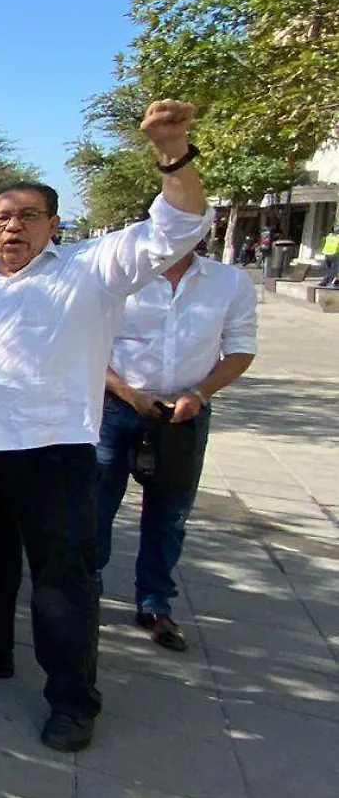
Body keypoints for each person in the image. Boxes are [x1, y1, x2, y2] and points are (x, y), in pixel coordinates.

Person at [0, 100, 209, 753]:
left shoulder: (92, 270)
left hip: (54, 456)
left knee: (62, 584)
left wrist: (173, 150)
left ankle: (72, 700)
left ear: (53, 223)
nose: (11, 227)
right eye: (1, 219)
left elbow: (178, 226)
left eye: (25, 216)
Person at [96, 244, 256, 652]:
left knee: (169, 514)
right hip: (116, 408)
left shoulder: (228, 282)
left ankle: (155, 604)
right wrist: (128, 393)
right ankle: (84, 592)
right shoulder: (120, 279)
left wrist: (200, 394)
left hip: (184, 414)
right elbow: (89, 344)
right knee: (94, 507)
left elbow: (240, 349)